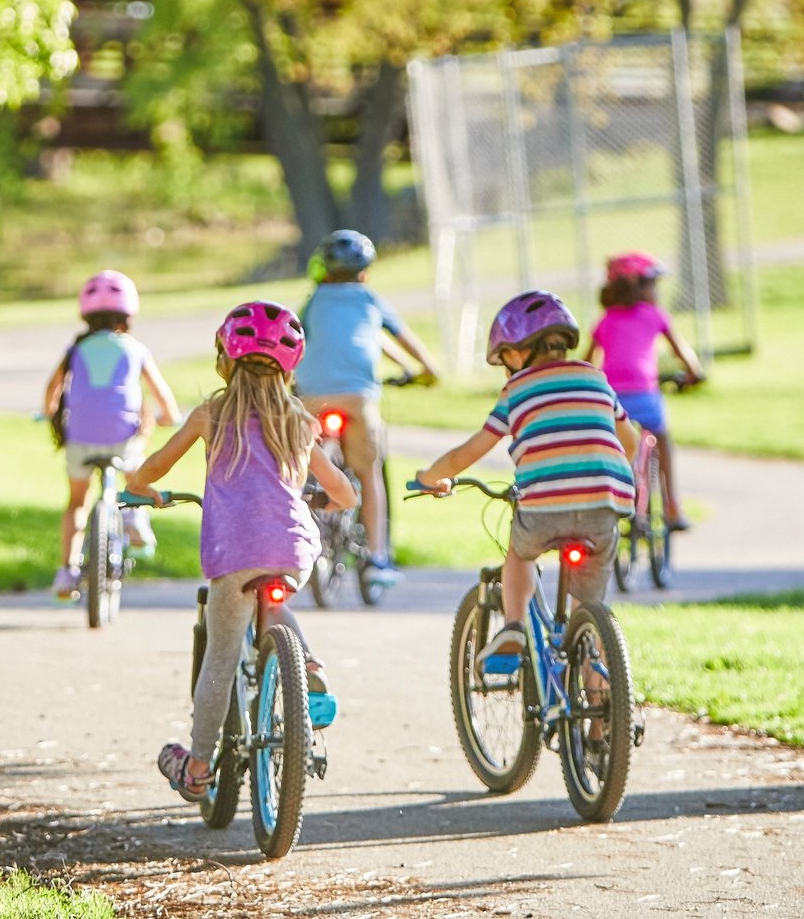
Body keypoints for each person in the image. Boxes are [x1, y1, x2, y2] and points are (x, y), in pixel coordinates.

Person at [125, 300, 357, 803]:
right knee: (275, 604)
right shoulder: (299, 420)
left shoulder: (213, 413)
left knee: (222, 655)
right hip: (294, 548)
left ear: (225, 359)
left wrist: (140, 485)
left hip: (235, 552)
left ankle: (200, 768)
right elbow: (344, 493)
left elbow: (158, 466)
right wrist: (321, 497)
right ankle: (309, 666)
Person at [415, 290, 639, 660]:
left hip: (543, 510)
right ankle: (603, 703)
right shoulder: (596, 379)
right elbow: (627, 443)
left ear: (519, 352)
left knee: (519, 555)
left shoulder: (516, 390)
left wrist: (429, 476)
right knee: (588, 614)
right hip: (605, 505)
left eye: (504, 358)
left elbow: (468, 452)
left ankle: (514, 626)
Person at [297, 229, 440, 581]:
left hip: (312, 395)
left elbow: (299, 339)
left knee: (304, 467)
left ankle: (301, 544)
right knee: (368, 472)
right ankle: (377, 558)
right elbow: (403, 341)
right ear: (365, 272)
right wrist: (427, 372)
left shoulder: (314, 301)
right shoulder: (370, 300)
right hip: (359, 398)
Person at [43, 270, 180, 599]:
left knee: (77, 501)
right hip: (123, 438)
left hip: (79, 439)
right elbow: (166, 403)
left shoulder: (75, 349)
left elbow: (52, 392)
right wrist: (166, 418)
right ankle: (134, 514)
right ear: (128, 313)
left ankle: (66, 572)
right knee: (136, 467)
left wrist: (49, 413)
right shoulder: (135, 349)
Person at [585, 251, 704, 531]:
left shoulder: (605, 321)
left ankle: (618, 500)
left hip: (612, 398)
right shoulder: (654, 316)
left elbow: (587, 360)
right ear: (639, 287)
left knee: (619, 448)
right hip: (645, 395)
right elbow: (682, 351)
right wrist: (694, 373)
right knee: (662, 438)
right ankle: (673, 508)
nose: (656, 292)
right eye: (652, 285)